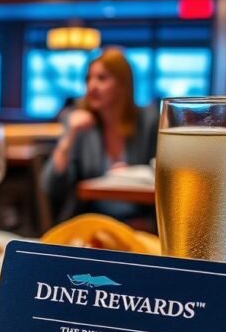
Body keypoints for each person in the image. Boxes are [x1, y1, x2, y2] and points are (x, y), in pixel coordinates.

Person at [41, 47, 157, 221]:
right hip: (91, 221)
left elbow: (163, 177)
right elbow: (50, 186)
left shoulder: (148, 121)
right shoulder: (79, 123)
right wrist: (69, 137)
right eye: (88, 79)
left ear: (122, 84)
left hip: (138, 222)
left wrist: (131, 175)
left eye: (102, 78)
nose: (92, 86)